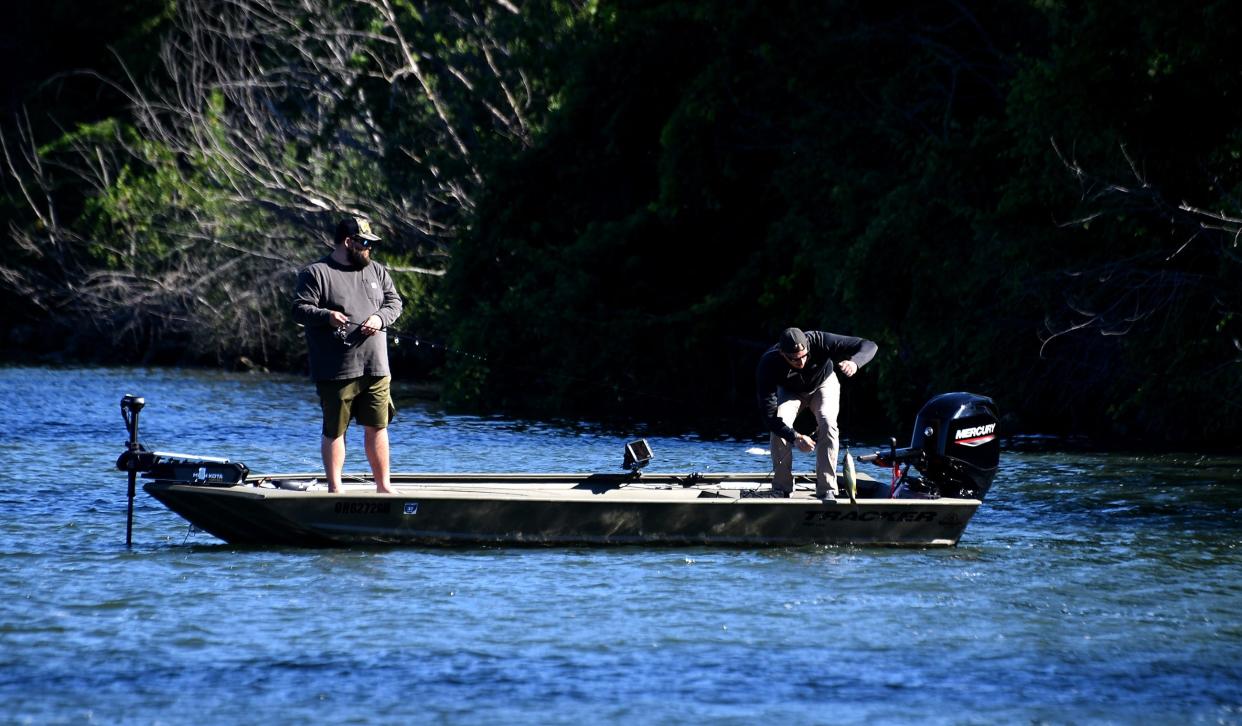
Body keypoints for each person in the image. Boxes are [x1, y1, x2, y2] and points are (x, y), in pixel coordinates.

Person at [292, 216, 404, 493]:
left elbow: (394, 303)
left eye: (371, 244)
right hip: (336, 368)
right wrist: (327, 316)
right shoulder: (315, 273)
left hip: (376, 367)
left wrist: (379, 319)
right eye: (365, 243)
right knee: (335, 430)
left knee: (378, 427)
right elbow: (298, 309)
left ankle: (384, 487)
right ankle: (335, 490)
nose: (369, 249)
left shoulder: (376, 271)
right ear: (348, 242)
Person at [753, 327, 877, 498]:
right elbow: (769, 417)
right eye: (794, 359)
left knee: (828, 423)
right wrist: (795, 436)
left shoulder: (820, 340)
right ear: (782, 353)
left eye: (805, 356)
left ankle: (827, 489)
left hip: (823, 384)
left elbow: (869, 345)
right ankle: (781, 488)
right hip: (790, 391)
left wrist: (855, 362)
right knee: (780, 425)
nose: (801, 362)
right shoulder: (768, 363)